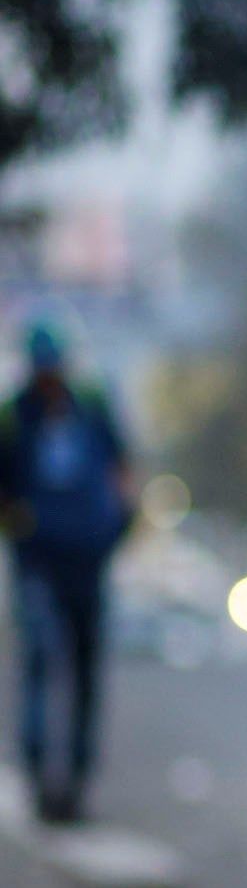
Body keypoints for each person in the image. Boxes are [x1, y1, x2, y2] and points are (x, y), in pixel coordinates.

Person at [0, 321, 135, 825]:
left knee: (84, 670)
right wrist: (22, 526)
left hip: (87, 559)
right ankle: (39, 774)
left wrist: (118, 525)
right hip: (38, 562)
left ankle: (76, 780)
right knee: (39, 658)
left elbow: (122, 469)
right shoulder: (15, 416)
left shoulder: (92, 407)